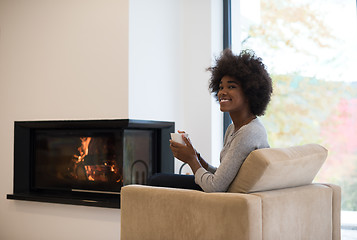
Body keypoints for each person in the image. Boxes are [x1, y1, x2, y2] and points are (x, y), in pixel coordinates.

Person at [149, 49, 273, 192]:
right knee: (158, 179)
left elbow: (215, 186)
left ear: (249, 93)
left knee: (157, 180)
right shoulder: (233, 129)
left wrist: (191, 160)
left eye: (231, 86)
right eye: (220, 87)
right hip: (226, 192)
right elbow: (222, 176)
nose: (222, 92)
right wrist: (196, 156)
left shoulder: (249, 132)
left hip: (227, 200)